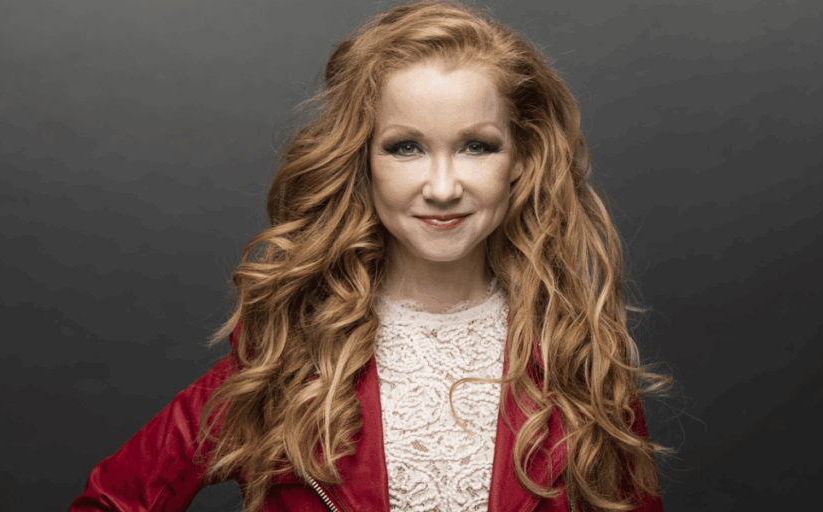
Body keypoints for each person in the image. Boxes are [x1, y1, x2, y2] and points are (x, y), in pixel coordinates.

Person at [70, 1, 672, 511]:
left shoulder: (580, 361)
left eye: (476, 146)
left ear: (521, 158)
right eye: (406, 147)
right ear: (362, 160)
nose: (442, 187)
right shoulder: (290, 360)